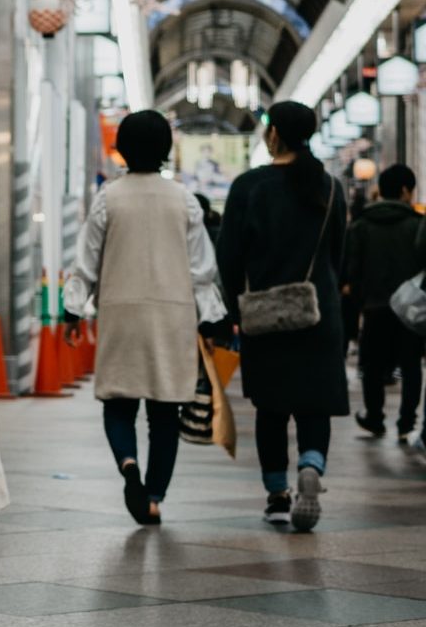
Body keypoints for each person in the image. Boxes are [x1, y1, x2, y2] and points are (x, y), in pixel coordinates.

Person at [65, 111, 226, 526]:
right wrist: (211, 319)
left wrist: (72, 309)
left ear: (122, 146)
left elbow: (85, 263)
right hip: (173, 316)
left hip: (121, 313)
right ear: (166, 150)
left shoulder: (108, 198)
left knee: (118, 404)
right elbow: (202, 270)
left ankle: (128, 466)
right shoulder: (184, 200)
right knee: (164, 413)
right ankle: (153, 498)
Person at [217, 102, 348, 532]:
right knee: (315, 403)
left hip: (265, 314)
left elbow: (230, 258)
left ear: (273, 135)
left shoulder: (249, 187)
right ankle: (311, 463)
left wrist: (232, 308)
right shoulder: (329, 187)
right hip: (318, 311)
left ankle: (276, 495)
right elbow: (338, 256)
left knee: (271, 407)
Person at [344, 164, 423, 442]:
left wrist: (359, 303)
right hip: (410, 310)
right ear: (404, 191)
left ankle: (375, 417)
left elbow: (351, 269)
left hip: (374, 307)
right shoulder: (416, 225)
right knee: (410, 365)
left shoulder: (361, 225)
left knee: (372, 366)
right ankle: (406, 422)